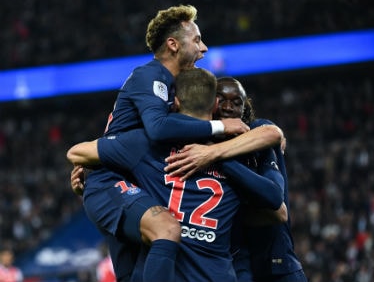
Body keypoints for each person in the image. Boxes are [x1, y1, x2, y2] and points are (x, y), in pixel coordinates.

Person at [69, 4, 250, 281]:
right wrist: (220, 125)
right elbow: (156, 128)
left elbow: (126, 129)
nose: (204, 49)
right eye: (197, 40)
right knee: (167, 228)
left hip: (135, 178)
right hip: (112, 181)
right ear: (173, 44)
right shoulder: (150, 75)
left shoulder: (173, 85)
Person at [68, 67, 287, 281]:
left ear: (176, 102)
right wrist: (220, 158)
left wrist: (89, 183)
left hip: (164, 269)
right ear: (215, 105)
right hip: (215, 273)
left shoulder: (146, 145)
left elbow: (77, 152)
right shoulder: (236, 153)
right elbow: (276, 207)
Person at [165, 77, 308, 282]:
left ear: (245, 108)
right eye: (221, 99)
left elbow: (277, 207)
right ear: (211, 103)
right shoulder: (193, 147)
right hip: (233, 266)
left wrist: (216, 157)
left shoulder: (255, 135)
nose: (228, 107)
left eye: (236, 102)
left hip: (276, 266)